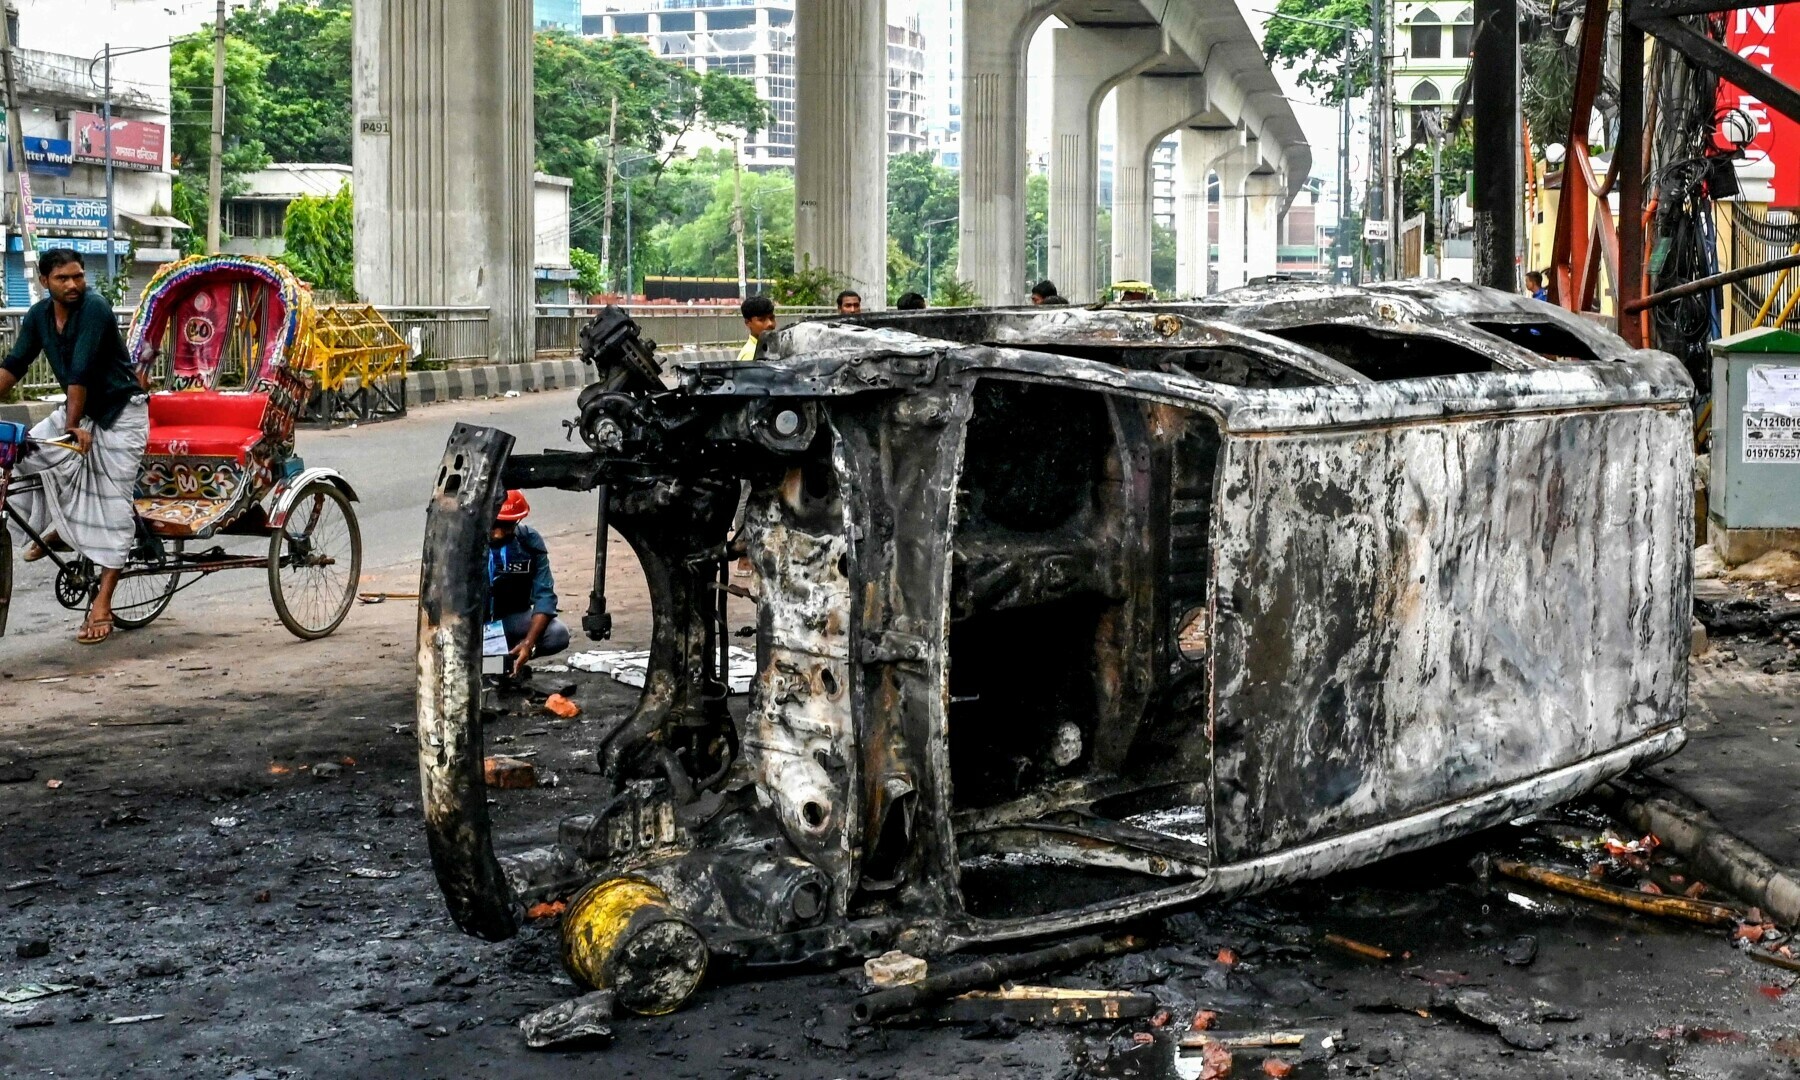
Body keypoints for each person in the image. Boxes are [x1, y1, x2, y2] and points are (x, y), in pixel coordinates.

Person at [0, 249, 148, 645]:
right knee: (26, 454)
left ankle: (102, 602)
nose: (74, 285)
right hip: (79, 413)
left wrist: (70, 426)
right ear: (45, 281)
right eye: (63, 278)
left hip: (121, 413)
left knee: (113, 504)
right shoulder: (38, 317)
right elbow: (14, 366)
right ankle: (62, 527)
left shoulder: (95, 307)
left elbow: (80, 370)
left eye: (79, 276)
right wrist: (71, 426)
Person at [487, 490, 570, 678]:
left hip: (511, 618)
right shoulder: (467, 542)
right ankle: (489, 664)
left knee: (558, 634)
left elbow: (545, 597)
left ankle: (509, 659)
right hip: (473, 622)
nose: (499, 534)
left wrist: (529, 643)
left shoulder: (530, 542)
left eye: (506, 525)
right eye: (495, 524)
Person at [738, 296, 776, 362]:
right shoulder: (751, 354)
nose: (770, 323)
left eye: (771, 318)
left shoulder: (767, 348)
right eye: (762, 320)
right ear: (748, 322)